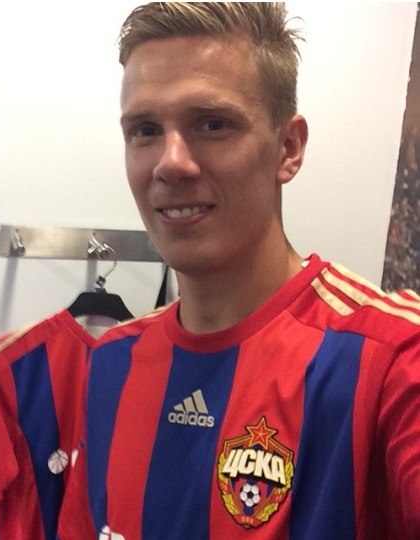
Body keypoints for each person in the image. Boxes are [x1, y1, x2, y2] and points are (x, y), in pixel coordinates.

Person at [58, 3, 420, 539]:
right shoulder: (112, 362)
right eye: (145, 130)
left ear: (288, 148)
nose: (170, 162)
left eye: (213, 124)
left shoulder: (391, 356)